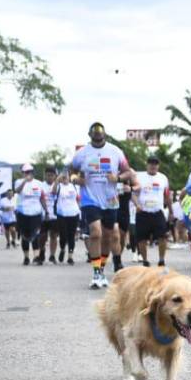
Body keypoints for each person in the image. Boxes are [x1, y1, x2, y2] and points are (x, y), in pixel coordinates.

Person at [69, 122, 132, 289]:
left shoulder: (115, 151)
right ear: (90, 136)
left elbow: (128, 171)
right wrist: (76, 179)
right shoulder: (81, 153)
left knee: (108, 237)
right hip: (89, 199)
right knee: (95, 233)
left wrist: (117, 179)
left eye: (100, 135)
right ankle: (96, 272)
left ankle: (101, 269)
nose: (98, 138)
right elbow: (71, 171)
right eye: (95, 135)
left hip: (110, 200)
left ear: (105, 135)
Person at [133, 155, 171, 267]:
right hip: (142, 212)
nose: (153, 166)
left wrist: (171, 211)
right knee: (141, 238)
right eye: (150, 163)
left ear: (158, 166)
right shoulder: (139, 177)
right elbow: (133, 194)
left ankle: (161, 260)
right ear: (147, 164)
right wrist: (137, 204)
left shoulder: (163, 178)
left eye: (155, 164)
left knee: (163, 236)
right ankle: (145, 260)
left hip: (157, 211)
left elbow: (167, 196)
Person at [13, 163, 49, 266]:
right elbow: (17, 191)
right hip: (23, 213)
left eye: (30, 172)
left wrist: (46, 210)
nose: (28, 174)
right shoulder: (18, 182)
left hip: (36, 213)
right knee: (25, 236)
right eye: (26, 172)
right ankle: (26, 257)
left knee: (36, 234)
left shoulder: (39, 183)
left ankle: (36, 257)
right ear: (23, 173)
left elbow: (42, 198)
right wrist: (25, 180)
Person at [53, 172, 81, 264]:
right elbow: (53, 192)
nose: (65, 178)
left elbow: (78, 198)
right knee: (63, 235)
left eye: (66, 176)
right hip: (62, 214)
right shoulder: (59, 186)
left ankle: (70, 256)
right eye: (63, 177)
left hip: (74, 213)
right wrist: (57, 180)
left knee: (71, 236)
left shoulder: (74, 186)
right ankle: (62, 249)